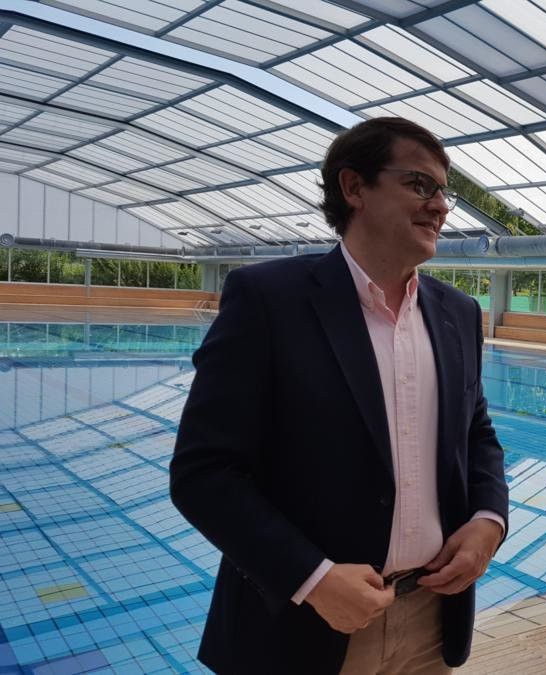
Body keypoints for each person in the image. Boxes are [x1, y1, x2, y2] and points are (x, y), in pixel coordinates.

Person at [170, 117, 508, 674]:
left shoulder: (458, 314)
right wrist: (313, 578)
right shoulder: (269, 302)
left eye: (444, 191)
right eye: (420, 185)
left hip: (430, 621)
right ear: (354, 188)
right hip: (299, 629)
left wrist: (488, 520)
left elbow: (477, 433)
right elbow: (203, 472)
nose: (441, 207)